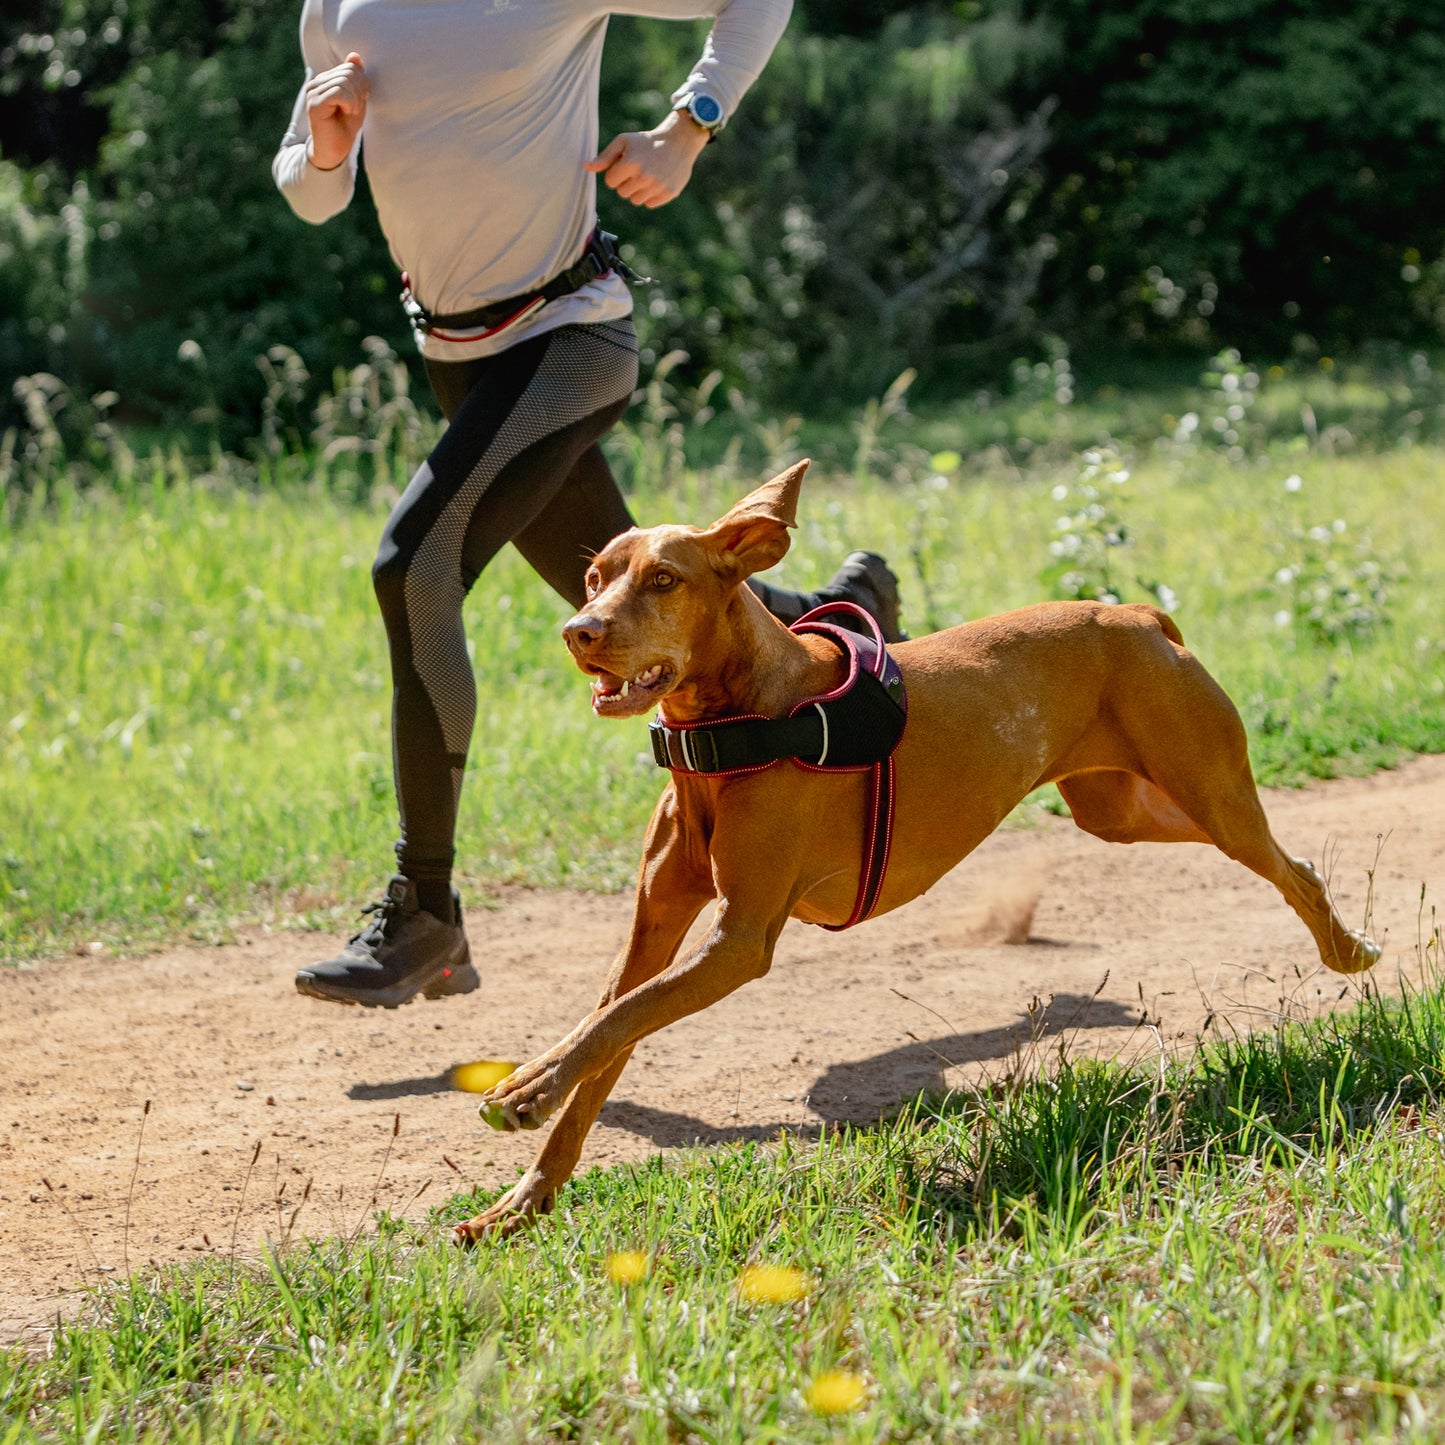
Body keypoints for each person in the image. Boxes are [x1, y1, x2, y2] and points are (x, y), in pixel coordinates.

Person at [273, 0, 904, 1009]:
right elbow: (309, 195)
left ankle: (424, 909)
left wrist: (686, 125)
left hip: (568, 337)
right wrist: (327, 145)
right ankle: (848, 609)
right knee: (656, 588)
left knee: (414, 566)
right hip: (458, 358)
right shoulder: (337, 7)